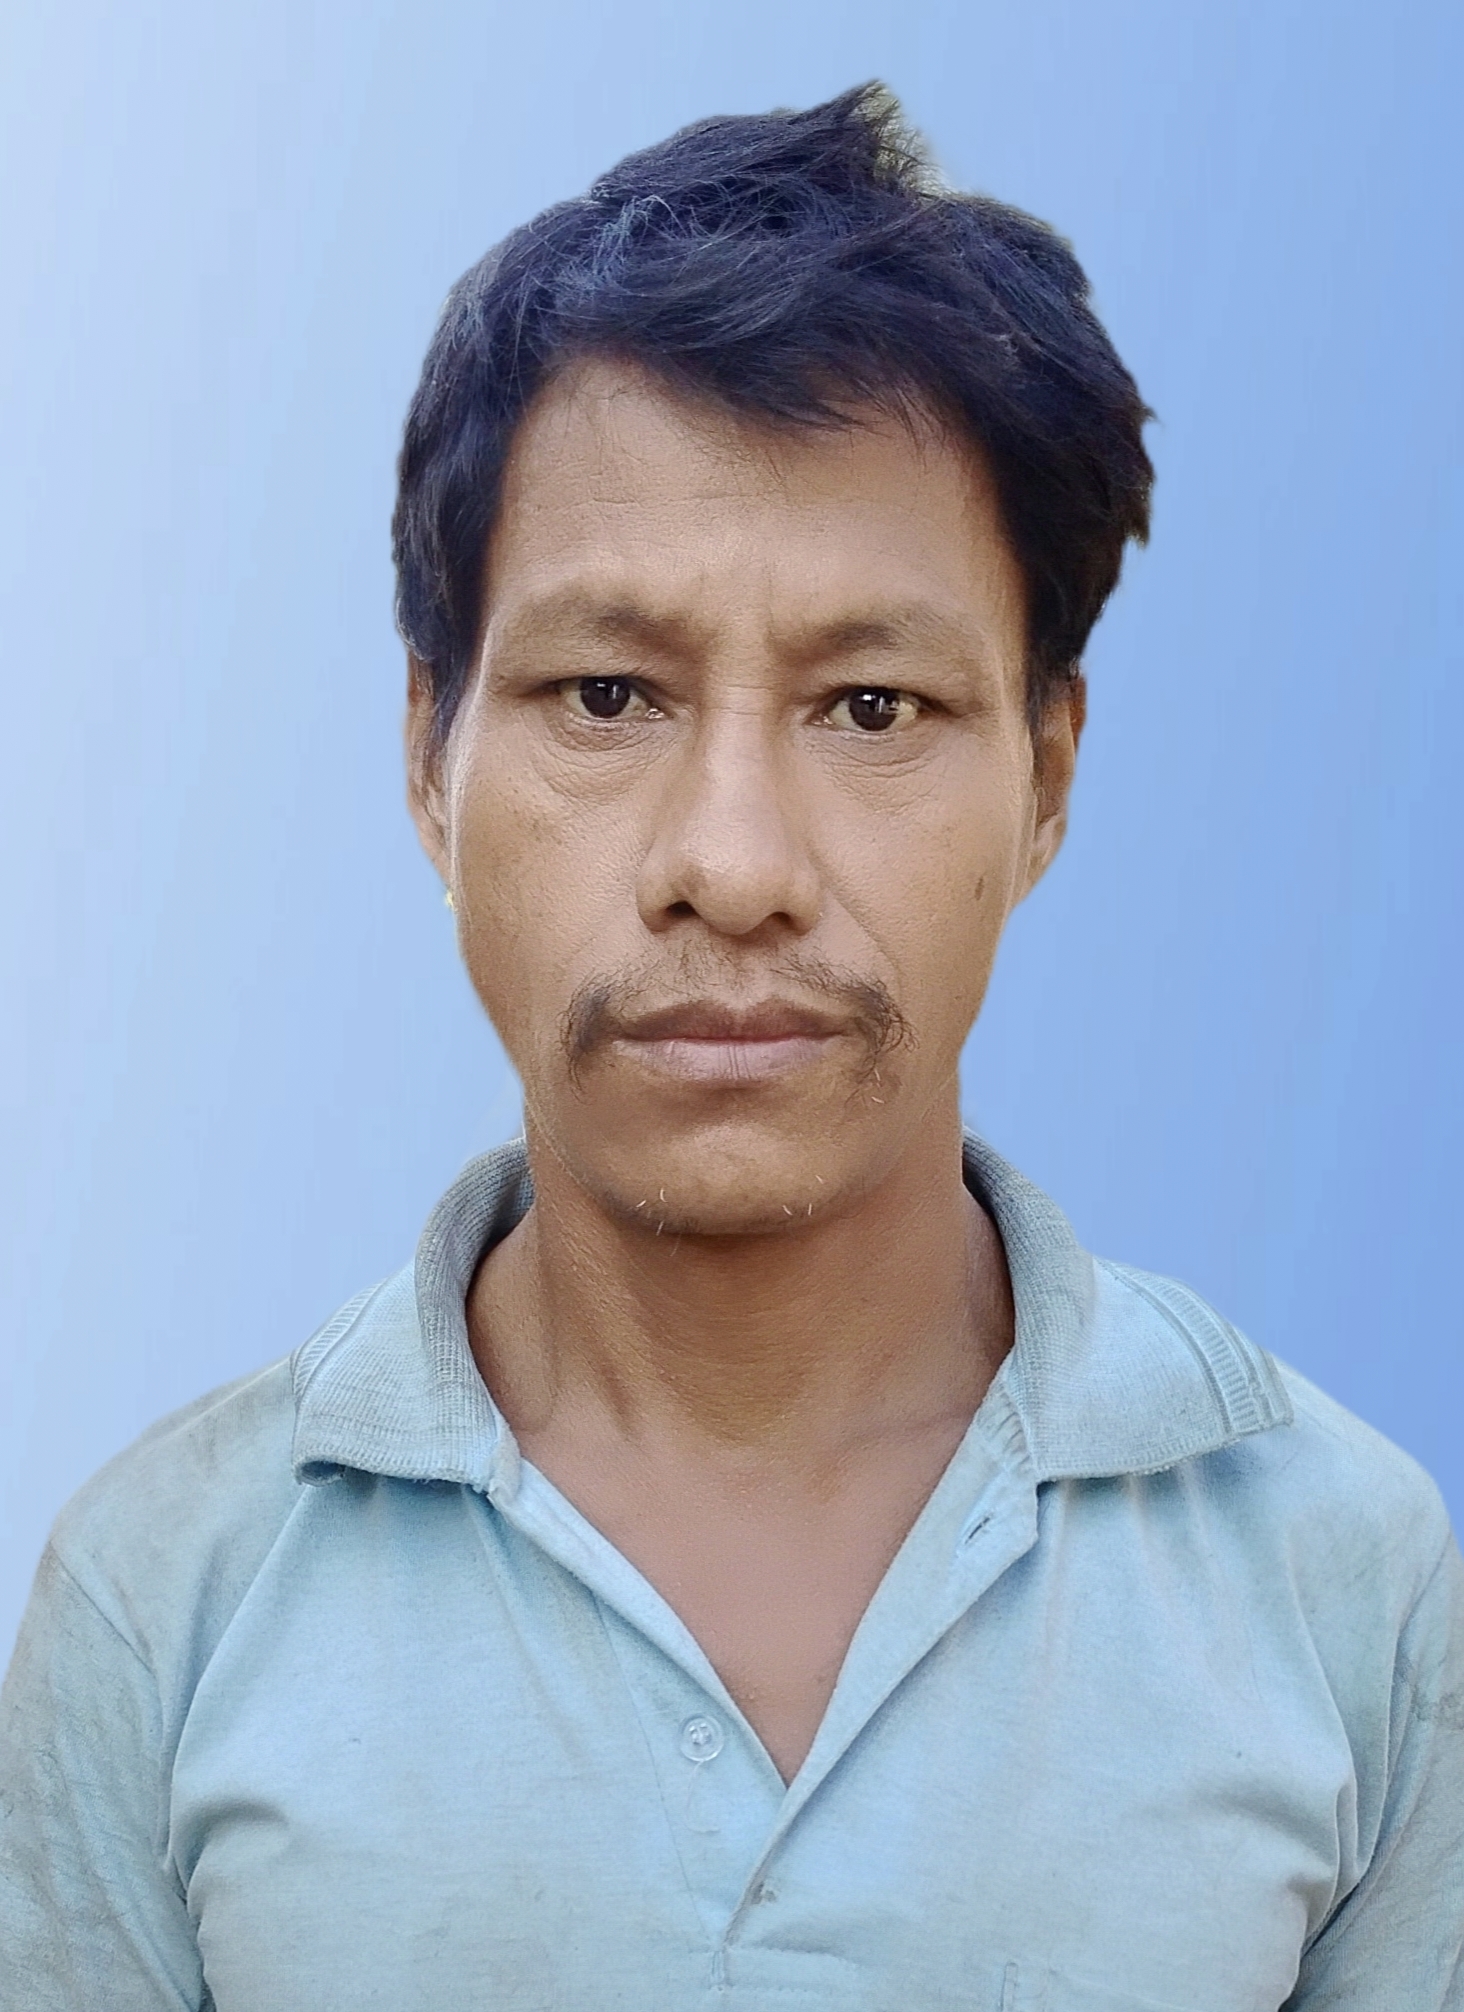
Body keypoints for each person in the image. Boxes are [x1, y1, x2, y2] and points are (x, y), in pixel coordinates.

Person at [2, 82, 1460, 2012]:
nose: (735, 865)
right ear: (429, 757)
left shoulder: (1350, 1584)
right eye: (608, 694)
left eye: (873, 706)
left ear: (1048, 775)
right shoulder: (161, 1605)